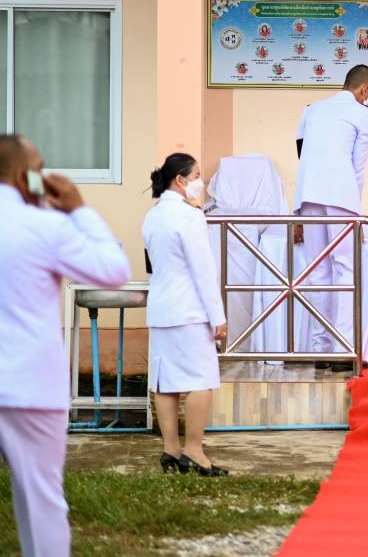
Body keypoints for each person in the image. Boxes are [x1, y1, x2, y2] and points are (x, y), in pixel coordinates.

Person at [0, 134, 130, 556]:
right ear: (26, 177)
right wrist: (78, 210)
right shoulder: (46, 226)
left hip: (27, 386)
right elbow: (113, 270)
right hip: (29, 386)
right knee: (41, 503)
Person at [142, 153, 229, 476]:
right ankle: (194, 449)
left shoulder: (152, 216)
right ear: (180, 180)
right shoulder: (189, 217)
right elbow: (203, 270)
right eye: (196, 175)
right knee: (202, 379)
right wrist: (217, 315)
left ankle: (171, 450)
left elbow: (152, 266)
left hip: (162, 307)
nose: (199, 182)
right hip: (189, 309)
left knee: (166, 382)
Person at [294, 64, 368, 368]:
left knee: (318, 272)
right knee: (345, 270)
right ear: (364, 90)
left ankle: (321, 349)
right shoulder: (364, 114)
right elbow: (358, 167)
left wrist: (297, 211)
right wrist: (355, 208)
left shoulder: (312, 110)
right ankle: (342, 350)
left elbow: (302, 155)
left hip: (308, 195)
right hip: (341, 196)